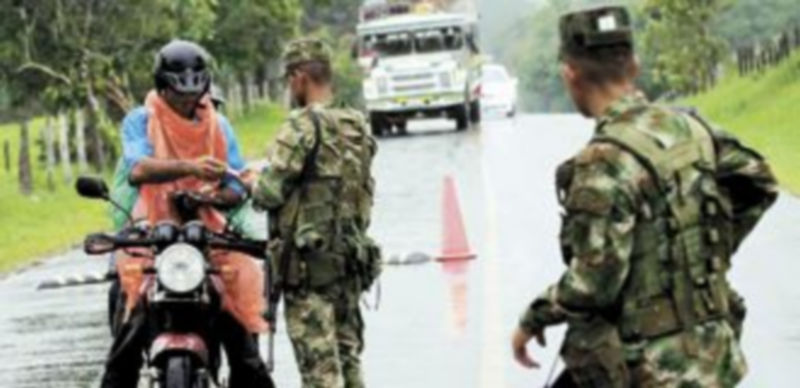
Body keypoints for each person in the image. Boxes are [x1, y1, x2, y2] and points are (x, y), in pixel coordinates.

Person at [510, 6, 778, 387]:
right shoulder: (693, 127)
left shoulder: (603, 162)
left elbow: (593, 284)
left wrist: (532, 319)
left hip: (650, 370)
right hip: (712, 359)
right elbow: (760, 180)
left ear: (570, 75)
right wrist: (703, 254)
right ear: (634, 65)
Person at [101, 39, 274, 388]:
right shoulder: (139, 121)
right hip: (152, 233)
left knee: (240, 331)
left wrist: (209, 198)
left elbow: (237, 183)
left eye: (193, 96)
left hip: (206, 234)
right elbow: (138, 169)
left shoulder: (220, 126)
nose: (186, 103)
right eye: (177, 95)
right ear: (162, 88)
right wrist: (190, 166)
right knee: (129, 331)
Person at [248, 38, 381, 388]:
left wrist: (251, 182)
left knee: (321, 374)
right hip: (349, 266)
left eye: (290, 78)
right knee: (349, 361)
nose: (290, 87)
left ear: (300, 77)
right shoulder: (356, 124)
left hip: (308, 273)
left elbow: (268, 193)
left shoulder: (302, 126)